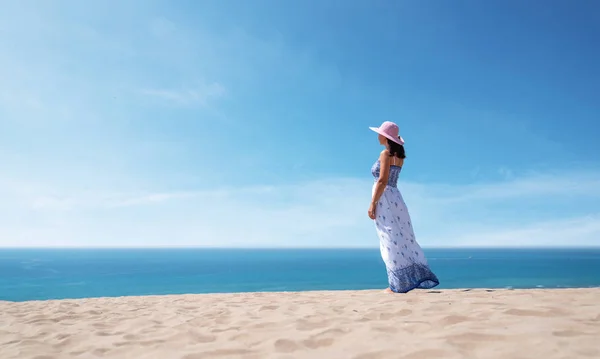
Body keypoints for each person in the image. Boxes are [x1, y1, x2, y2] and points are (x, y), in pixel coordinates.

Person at [368, 121, 440, 293]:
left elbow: (382, 180)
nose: (377, 136)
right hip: (396, 198)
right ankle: (404, 280)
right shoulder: (399, 157)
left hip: (385, 198)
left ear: (385, 137)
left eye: (379, 133)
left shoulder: (385, 154)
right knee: (402, 237)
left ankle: (396, 285)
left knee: (389, 238)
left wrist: (373, 203)